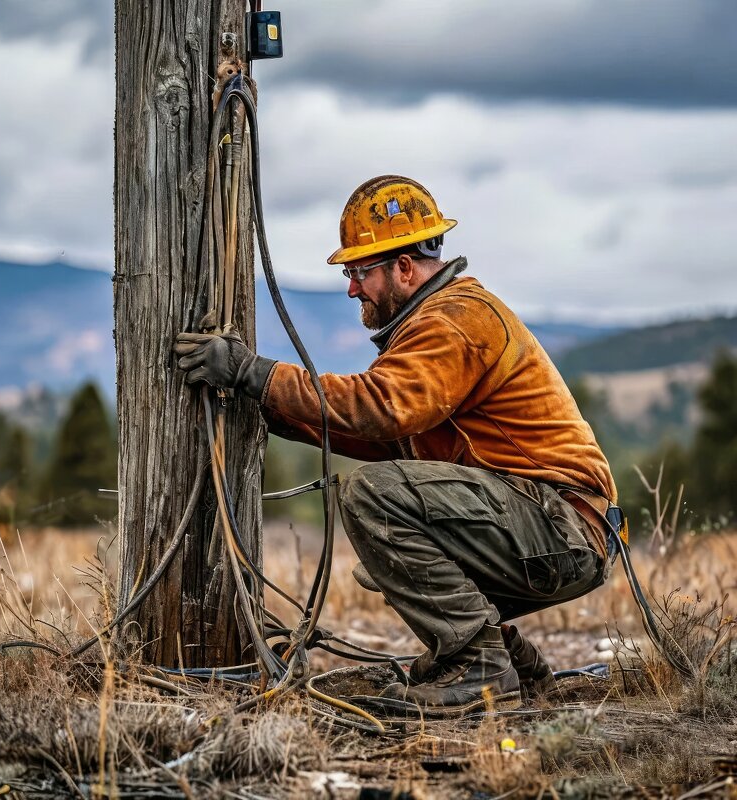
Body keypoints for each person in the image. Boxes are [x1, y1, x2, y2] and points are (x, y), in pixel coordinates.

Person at [175, 175, 620, 706]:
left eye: (360, 272)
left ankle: (478, 666)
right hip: (553, 526)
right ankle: (510, 663)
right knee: (391, 549)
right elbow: (393, 439)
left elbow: (379, 409)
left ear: (404, 267)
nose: (351, 289)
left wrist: (254, 373)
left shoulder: (454, 320)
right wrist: (269, 409)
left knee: (373, 496)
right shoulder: (435, 321)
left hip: (558, 525)